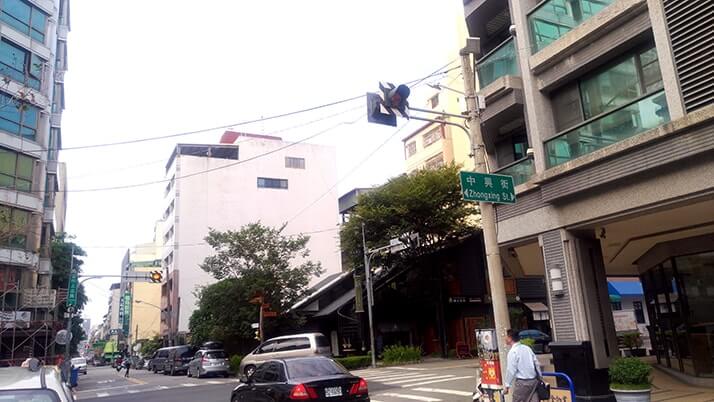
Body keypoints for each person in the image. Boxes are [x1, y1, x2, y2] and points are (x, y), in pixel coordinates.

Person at [503, 329, 541, 402]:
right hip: (533, 382)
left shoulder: (513, 352)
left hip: (522, 383)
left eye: (506, 336)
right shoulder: (527, 348)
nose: (505, 338)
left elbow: (511, 370)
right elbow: (536, 364)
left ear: (510, 338)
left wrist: (507, 385)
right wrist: (540, 377)